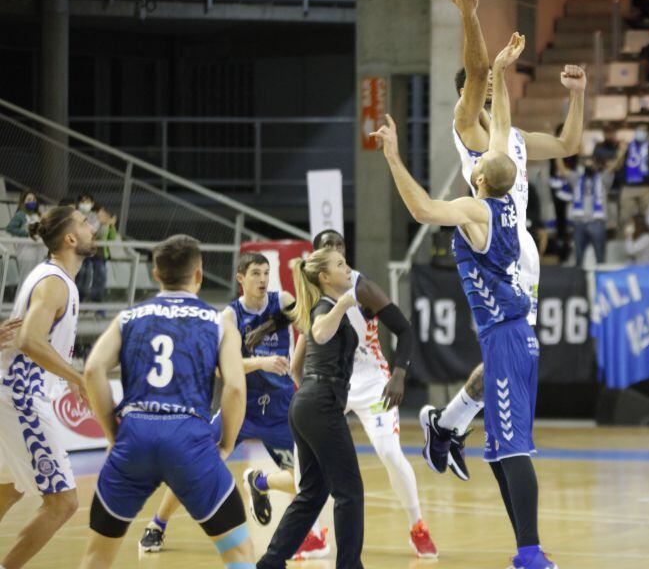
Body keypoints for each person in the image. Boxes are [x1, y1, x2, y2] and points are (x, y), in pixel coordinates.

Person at [372, 32, 557, 569]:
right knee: (500, 449)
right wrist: (499, 70)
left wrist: (393, 157)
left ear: (478, 174)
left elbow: (423, 209)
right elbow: (500, 127)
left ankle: (530, 552)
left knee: (514, 448)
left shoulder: (477, 210)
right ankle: (523, 545)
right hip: (515, 334)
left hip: (505, 337)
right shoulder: (506, 199)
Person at [421, 0, 585, 484]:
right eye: (481, 88)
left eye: (494, 86)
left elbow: (568, 145)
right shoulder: (467, 125)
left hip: (521, 245)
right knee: (507, 352)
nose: (488, 90)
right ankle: (458, 429)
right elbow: (476, 71)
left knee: (513, 353)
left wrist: (577, 95)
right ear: (468, 96)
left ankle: (446, 424)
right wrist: (471, 17)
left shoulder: (511, 136)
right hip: (489, 239)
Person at [138, 253, 334, 560]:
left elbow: (310, 323)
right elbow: (220, 369)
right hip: (241, 408)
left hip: (281, 410)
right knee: (193, 462)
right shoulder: (230, 316)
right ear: (240, 278)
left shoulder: (281, 301)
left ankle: (261, 484)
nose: (263, 279)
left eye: (266, 273)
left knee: (308, 479)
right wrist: (261, 363)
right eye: (256, 273)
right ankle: (157, 525)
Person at [77, 235, 256, 569]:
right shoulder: (218, 323)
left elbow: (92, 370)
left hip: (135, 436)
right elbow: (234, 388)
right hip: (189, 439)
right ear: (199, 274)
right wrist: (226, 444)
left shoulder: (128, 318)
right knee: (239, 554)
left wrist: (114, 434)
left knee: (96, 558)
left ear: (156, 274)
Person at [301, 229, 436, 559]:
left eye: (340, 246)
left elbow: (404, 330)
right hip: (333, 380)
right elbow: (304, 331)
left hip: (371, 380)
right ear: (319, 262)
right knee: (303, 451)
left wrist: (399, 374)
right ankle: (315, 535)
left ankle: (417, 525)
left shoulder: (362, 287)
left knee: (389, 452)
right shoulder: (310, 290)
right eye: (329, 248)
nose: (337, 251)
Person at [251, 247, 368, 569]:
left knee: (313, 493)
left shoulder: (320, 308)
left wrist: (314, 396)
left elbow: (295, 368)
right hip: (319, 403)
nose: (348, 268)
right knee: (350, 492)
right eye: (341, 265)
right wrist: (345, 303)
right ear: (325, 277)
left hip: (308, 402)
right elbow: (319, 332)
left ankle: (270, 562)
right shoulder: (325, 308)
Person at [0, 207, 95, 569]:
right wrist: (78, 378)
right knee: (64, 503)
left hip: (12, 391)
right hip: (21, 395)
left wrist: (66, 377)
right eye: (84, 223)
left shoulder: (54, 277)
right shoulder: (54, 282)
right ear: (70, 238)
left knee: (9, 489)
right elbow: (29, 340)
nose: (91, 227)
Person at [615, 124, 649, 224]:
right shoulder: (627, 147)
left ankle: (647, 234)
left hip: (647, 187)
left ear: (647, 133)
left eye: (643, 131)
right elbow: (617, 167)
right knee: (625, 217)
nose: (641, 133)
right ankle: (626, 234)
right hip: (628, 187)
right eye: (639, 130)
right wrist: (620, 154)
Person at [568, 158, 608, 266]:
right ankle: (577, 276)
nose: (589, 166)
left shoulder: (603, 178)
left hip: (596, 222)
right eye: (587, 164)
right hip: (580, 221)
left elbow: (612, 169)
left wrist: (621, 152)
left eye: (592, 164)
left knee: (600, 258)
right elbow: (563, 171)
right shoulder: (577, 178)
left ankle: (601, 276)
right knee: (578, 258)